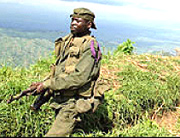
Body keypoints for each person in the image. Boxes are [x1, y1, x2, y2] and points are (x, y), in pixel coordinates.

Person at [30, 7, 104, 137]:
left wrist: (48, 85)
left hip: (73, 101)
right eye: (72, 20)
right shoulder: (68, 40)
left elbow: (80, 78)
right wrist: (44, 84)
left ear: (89, 24)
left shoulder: (90, 45)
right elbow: (59, 69)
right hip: (60, 97)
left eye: (78, 21)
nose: (73, 23)